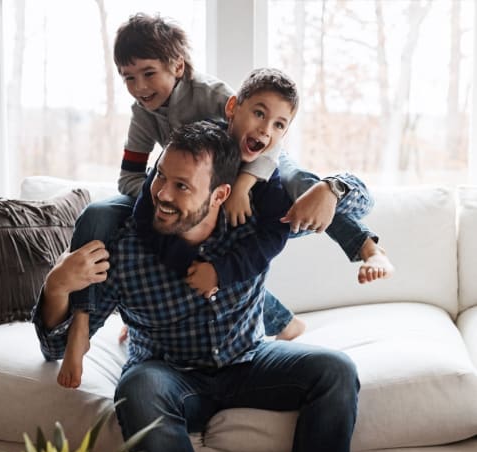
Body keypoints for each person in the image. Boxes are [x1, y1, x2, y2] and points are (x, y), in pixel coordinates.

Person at [61, 13, 392, 388]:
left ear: (178, 67)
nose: (139, 86)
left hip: (254, 168)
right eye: (129, 78)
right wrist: (169, 197)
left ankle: (366, 248)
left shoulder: (215, 97)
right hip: (194, 195)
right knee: (99, 214)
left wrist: (244, 185)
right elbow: (129, 178)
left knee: (303, 188)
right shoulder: (144, 116)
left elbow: (263, 141)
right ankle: (83, 321)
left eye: (148, 73)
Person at [33, 121, 360, 452]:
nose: (161, 194)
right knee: (138, 388)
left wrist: (331, 188)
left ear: (221, 193)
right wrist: (57, 286)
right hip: (168, 374)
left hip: (248, 359)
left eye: (182, 186)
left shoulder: (252, 222)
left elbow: (359, 205)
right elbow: (55, 349)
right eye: (160, 177)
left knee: (336, 370)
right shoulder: (124, 247)